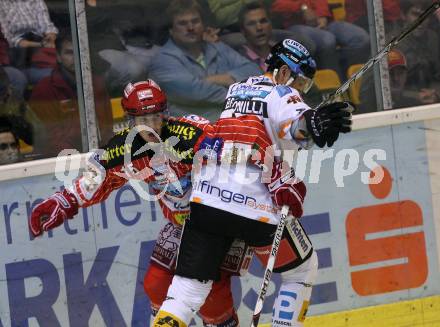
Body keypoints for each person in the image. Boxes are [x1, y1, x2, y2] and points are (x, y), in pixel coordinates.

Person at [152, 39, 353, 327]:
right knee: (301, 271)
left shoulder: (236, 89)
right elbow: (294, 123)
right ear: (284, 72)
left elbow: (273, 125)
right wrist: (312, 123)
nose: (301, 91)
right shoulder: (283, 92)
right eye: (302, 83)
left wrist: (310, 122)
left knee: (185, 292)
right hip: (255, 208)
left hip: (206, 201)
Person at [28, 79, 248, 327]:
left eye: (156, 117)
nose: (152, 126)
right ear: (130, 120)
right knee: (156, 285)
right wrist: (64, 200)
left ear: (166, 113)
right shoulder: (125, 146)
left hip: (216, 223)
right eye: (143, 120)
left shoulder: (191, 132)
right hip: (180, 225)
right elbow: (97, 179)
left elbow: (233, 155)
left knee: (211, 292)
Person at [149, 0, 261, 122]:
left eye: (195, 21)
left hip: (234, 123)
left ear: (203, 25)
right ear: (171, 30)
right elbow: (196, 93)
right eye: (182, 23)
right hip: (192, 131)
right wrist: (247, 95)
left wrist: (227, 78)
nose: (191, 28)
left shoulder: (217, 47)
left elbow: (255, 70)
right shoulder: (162, 61)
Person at [29, 31, 114, 157]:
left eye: (80, 51)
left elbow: (106, 128)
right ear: (58, 57)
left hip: (95, 157)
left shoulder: (97, 83)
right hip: (57, 163)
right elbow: (51, 140)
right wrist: (82, 159)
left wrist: (107, 154)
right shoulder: (44, 89)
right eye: (69, 53)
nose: (76, 57)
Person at [271, 0, 370, 78]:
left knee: (360, 38)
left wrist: (323, 16)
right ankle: (334, 83)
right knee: (327, 40)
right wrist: (302, 7)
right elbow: (277, 6)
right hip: (297, 25)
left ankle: (349, 76)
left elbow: (321, 2)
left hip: (326, 23)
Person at [0, 0, 58, 84]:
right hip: (17, 54)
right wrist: (40, 44)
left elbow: (47, 27)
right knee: (18, 78)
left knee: (56, 73)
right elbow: (9, 38)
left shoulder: (36, 1)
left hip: (40, 47)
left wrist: (50, 36)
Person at [359, 49, 427, 112]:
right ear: (379, 77)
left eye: (400, 73)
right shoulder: (371, 107)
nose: (396, 79)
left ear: (406, 75)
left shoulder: (414, 101)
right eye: (390, 74)